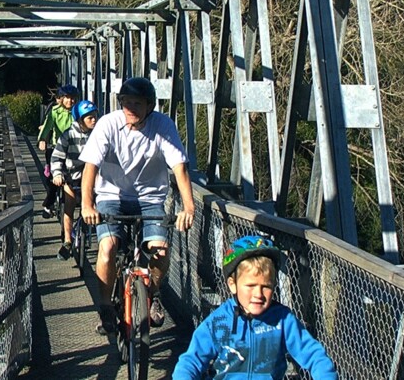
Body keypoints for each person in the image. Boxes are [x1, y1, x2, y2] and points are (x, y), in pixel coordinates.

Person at [79, 76, 196, 334]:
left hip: (150, 198)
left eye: (137, 103)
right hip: (111, 195)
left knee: (160, 251)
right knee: (108, 248)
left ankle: (152, 293)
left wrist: (188, 208)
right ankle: (106, 308)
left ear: (150, 106)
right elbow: (90, 167)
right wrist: (87, 205)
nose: (130, 108)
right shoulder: (108, 124)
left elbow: (180, 168)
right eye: (126, 102)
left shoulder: (162, 125)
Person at [173, 235, 337, 380]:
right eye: (250, 286)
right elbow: (191, 361)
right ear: (233, 285)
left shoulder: (282, 320)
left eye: (266, 286)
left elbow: (313, 355)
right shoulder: (219, 321)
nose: (258, 294)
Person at [50, 99, 99, 260]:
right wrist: (57, 174)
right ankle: (67, 241)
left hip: (92, 178)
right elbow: (56, 157)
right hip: (72, 177)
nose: (94, 120)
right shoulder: (68, 135)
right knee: (69, 205)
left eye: (95, 116)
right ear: (80, 120)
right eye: (90, 117)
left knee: (100, 203)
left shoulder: (98, 135)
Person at [38, 85, 79, 218]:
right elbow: (47, 126)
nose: (70, 101)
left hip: (74, 148)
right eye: (67, 97)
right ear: (61, 99)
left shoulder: (78, 112)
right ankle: (48, 203)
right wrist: (42, 139)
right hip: (57, 147)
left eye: (73, 98)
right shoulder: (55, 112)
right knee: (53, 177)